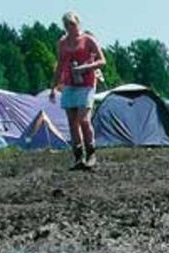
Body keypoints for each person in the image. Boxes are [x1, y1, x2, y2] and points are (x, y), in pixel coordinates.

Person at [49, 11, 106, 169]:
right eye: (67, 25)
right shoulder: (62, 43)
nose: (70, 28)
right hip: (69, 84)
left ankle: (91, 153)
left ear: (78, 24)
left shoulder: (87, 40)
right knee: (72, 122)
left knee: (84, 119)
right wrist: (53, 86)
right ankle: (78, 157)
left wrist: (86, 67)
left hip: (86, 83)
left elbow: (102, 61)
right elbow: (60, 65)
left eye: (72, 24)